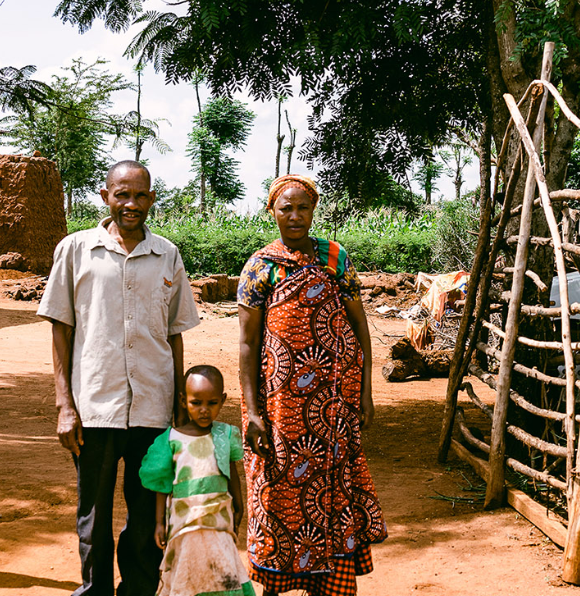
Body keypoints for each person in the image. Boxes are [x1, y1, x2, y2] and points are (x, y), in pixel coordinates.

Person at [38, 160, 200, 596]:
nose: (132, 204)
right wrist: (64, 405)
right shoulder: (75, 249)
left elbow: (173, 334)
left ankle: (139, 591)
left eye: (141, 195)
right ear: (106, 195)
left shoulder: (167, 254)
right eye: (122, 194)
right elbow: (61, 327)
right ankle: (95, 591)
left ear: (151, 198)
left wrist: (179, 402)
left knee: (147, 513)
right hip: (95, 404)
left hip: (153, 404)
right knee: (93, 514)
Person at [236, 174, 387, 596]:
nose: (296, 216)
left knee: (335, 486)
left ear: (314, 210)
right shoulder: (259, 267)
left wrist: (366, 394)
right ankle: (276, 579)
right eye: (287, 208)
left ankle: (330, 584)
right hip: (280, 406)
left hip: (334, 405)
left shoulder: (335, 259)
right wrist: (253, 412)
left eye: (303, 208)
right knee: (278, 487)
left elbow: (360, 329)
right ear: (272, 212)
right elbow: (248, 345)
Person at [138, 365, 254, 596]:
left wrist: (239, 506)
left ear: (222, 400)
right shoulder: (171, 439)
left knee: (222, 568)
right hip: (185, 523)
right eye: (196, 403)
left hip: (219, 520)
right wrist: (160, 522)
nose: (204, 410)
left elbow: (231, 474)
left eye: (212, 403)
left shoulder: (225, 435)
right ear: (183, 401)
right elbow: (163, 484)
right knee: (189, 569)